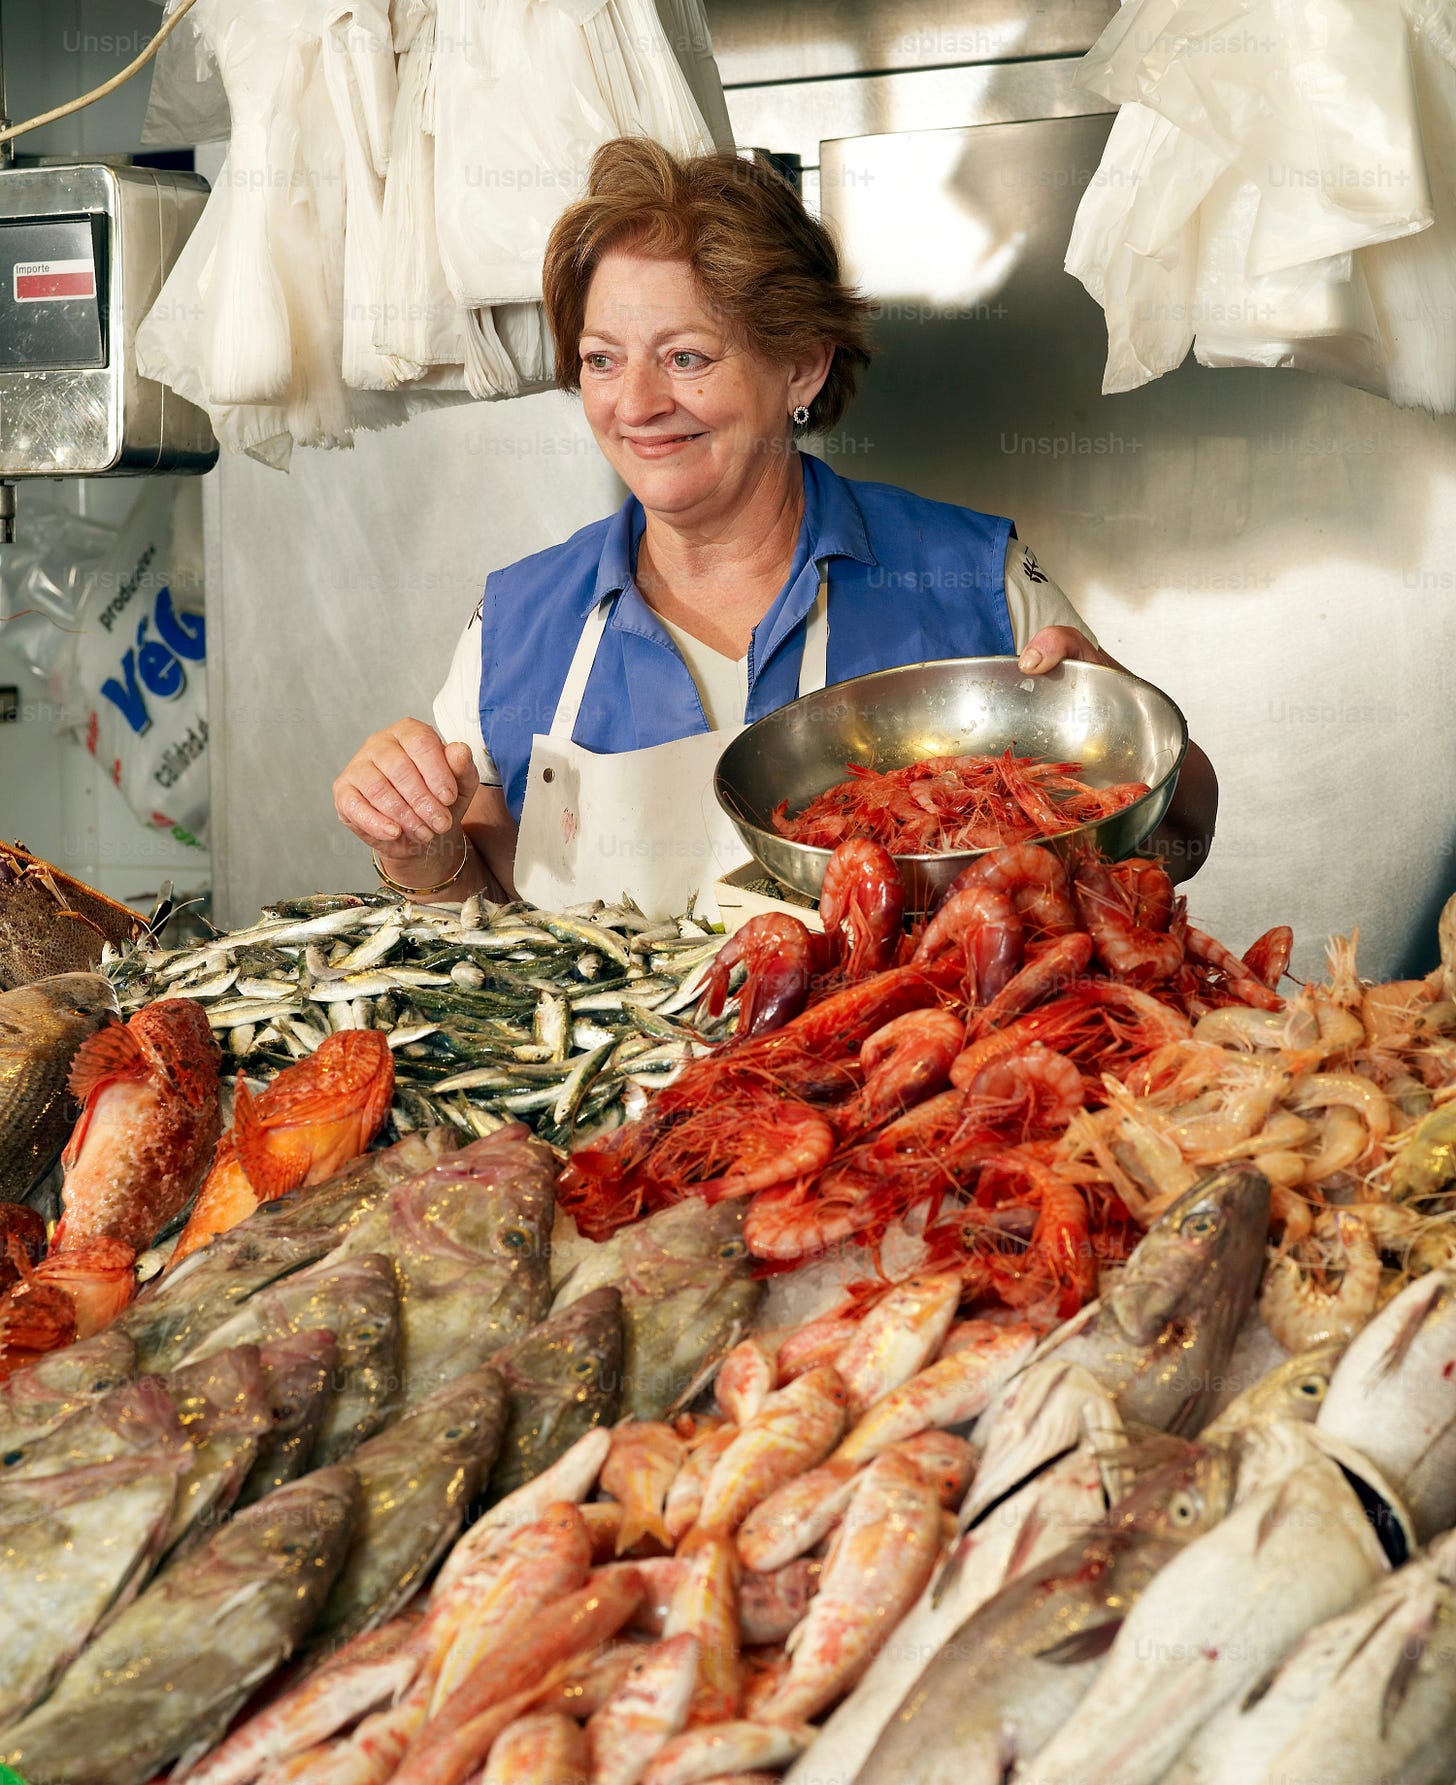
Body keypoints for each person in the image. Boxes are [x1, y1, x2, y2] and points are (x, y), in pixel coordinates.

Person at [334, 139, 1217, 912]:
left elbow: (1180, 844)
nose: (636, 404)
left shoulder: (970, 576)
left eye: (686, 357)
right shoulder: (517, 622)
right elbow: (481, 916)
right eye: (603, 360)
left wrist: (1129, 718)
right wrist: (420, 850)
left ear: (800, 365)